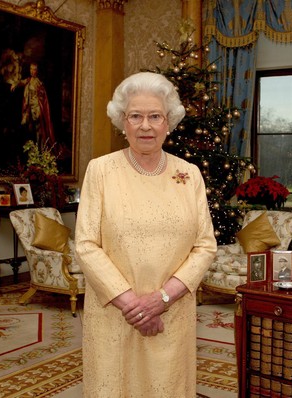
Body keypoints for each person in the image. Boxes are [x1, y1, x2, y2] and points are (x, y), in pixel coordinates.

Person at [75, 72, 217, 397]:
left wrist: (161, 299)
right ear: (122, 123)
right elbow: (85, 244)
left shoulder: (189, 174)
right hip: (114, 314)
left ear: (169, 123)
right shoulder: (100, 170)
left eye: (155, 116)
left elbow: (205, 246)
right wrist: (134, 306)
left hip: (172, 314)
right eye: (135, 116)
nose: (145, 126)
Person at [11, 62, 56, 147]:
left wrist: (40, 103)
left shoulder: (39, 83)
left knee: (38, 129)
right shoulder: (28, 80)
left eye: (34, 69)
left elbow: (43, 97)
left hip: (36, 108)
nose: (32, 71)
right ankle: (31, 148)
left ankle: (39, 147)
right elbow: (22, 82)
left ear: (37, 71)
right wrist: (15, 84)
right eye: (31, 69)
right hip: (29, 108)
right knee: (27, 127)